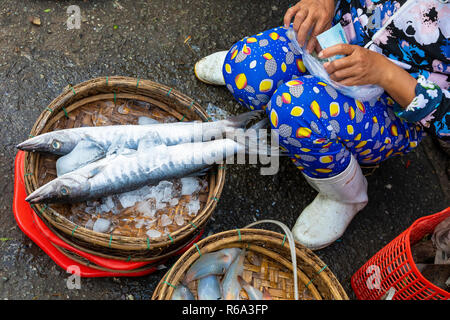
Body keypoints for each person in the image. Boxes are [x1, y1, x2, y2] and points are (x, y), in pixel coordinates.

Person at [194, 0, 449, 250]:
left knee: (293, 109)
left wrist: (385, 73)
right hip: (331, 37)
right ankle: (298, 128)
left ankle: (345, 196)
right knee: (244, 68)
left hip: (388, 108)